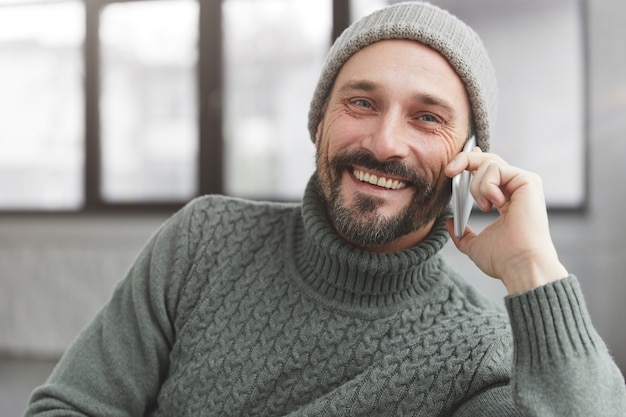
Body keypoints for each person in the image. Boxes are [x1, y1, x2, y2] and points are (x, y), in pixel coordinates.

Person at [25, 2, 625, 416]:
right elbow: (69, 405)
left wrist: (534, 270)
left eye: (428, 117)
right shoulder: (203, 239)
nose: (386, 142)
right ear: (319, 123)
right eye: (362, 102)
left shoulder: (476, 353)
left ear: (468, 159)